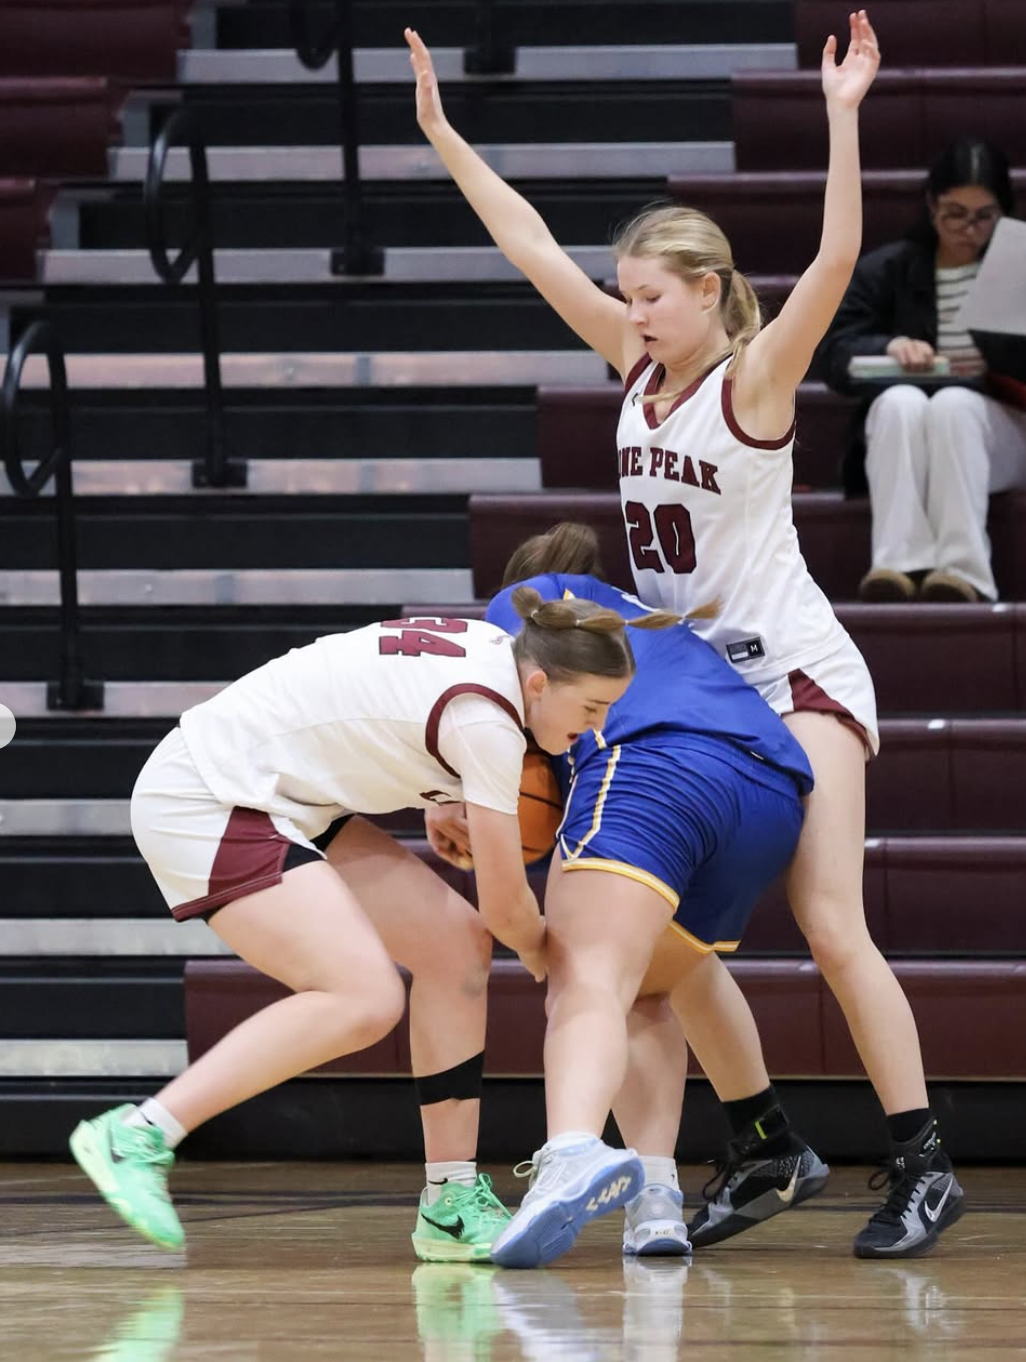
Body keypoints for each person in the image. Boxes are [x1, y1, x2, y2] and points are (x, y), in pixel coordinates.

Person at [407, 12, 966, 1260]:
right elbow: (532, 248)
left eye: (650, 296)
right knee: (675, 948)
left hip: (799, 679)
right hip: (706, 698)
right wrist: (446, 139)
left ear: (706, 292)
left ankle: (923, 1158)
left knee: (830, 923)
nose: (630, 313)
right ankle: (766, 1143)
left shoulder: (751, 381)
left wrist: (842, 115)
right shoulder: (628, 361)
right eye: (626, 299)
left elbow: (835, 263)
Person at [69, 598, 673, 1260]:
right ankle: (138, 1133)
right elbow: (509, 910)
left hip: (289, 792)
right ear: (538, 684)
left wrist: (435, 797)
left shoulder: (499, 653)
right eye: (590, 709)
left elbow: (375, 706)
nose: (596, 728)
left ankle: (449, 1201)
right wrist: (553, 964)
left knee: (456, 948)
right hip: (207, 794)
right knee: (364, 997)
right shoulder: (488, 725)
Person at [426, 522, 819, 1268]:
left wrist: (449, 797)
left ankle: (571, 1152)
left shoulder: (525, 610)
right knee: (643, 993)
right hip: (769, 792)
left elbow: (492, 733)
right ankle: (656, 1203)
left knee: (585, 983)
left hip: (657, 766)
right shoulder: (632, 616)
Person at [818, 136, 1026, 603]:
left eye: (983, 216)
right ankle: (897, 563)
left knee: (955, 405)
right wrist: (889, 345)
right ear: (931, 205)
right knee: (900, 401)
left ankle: (966, 572)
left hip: (1004, 430)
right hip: (911, 428)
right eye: (954, 213)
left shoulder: (1021, 267)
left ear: (1003, 213)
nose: (967, 229)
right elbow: (833, 352)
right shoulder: (889, 268)